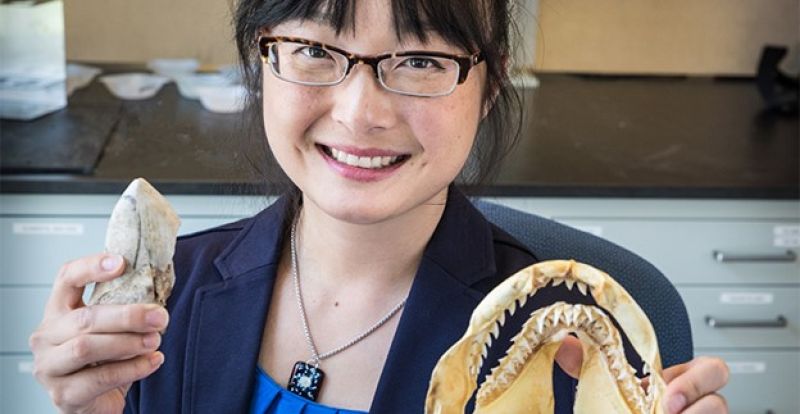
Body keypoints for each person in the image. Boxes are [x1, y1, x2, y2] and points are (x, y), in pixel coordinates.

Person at [28, 0, 730, 413]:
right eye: (312, 50)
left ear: (489, 87)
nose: (361, 113)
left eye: (420, 60)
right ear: (260, 62)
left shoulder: (565, 348)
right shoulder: (166, 301)